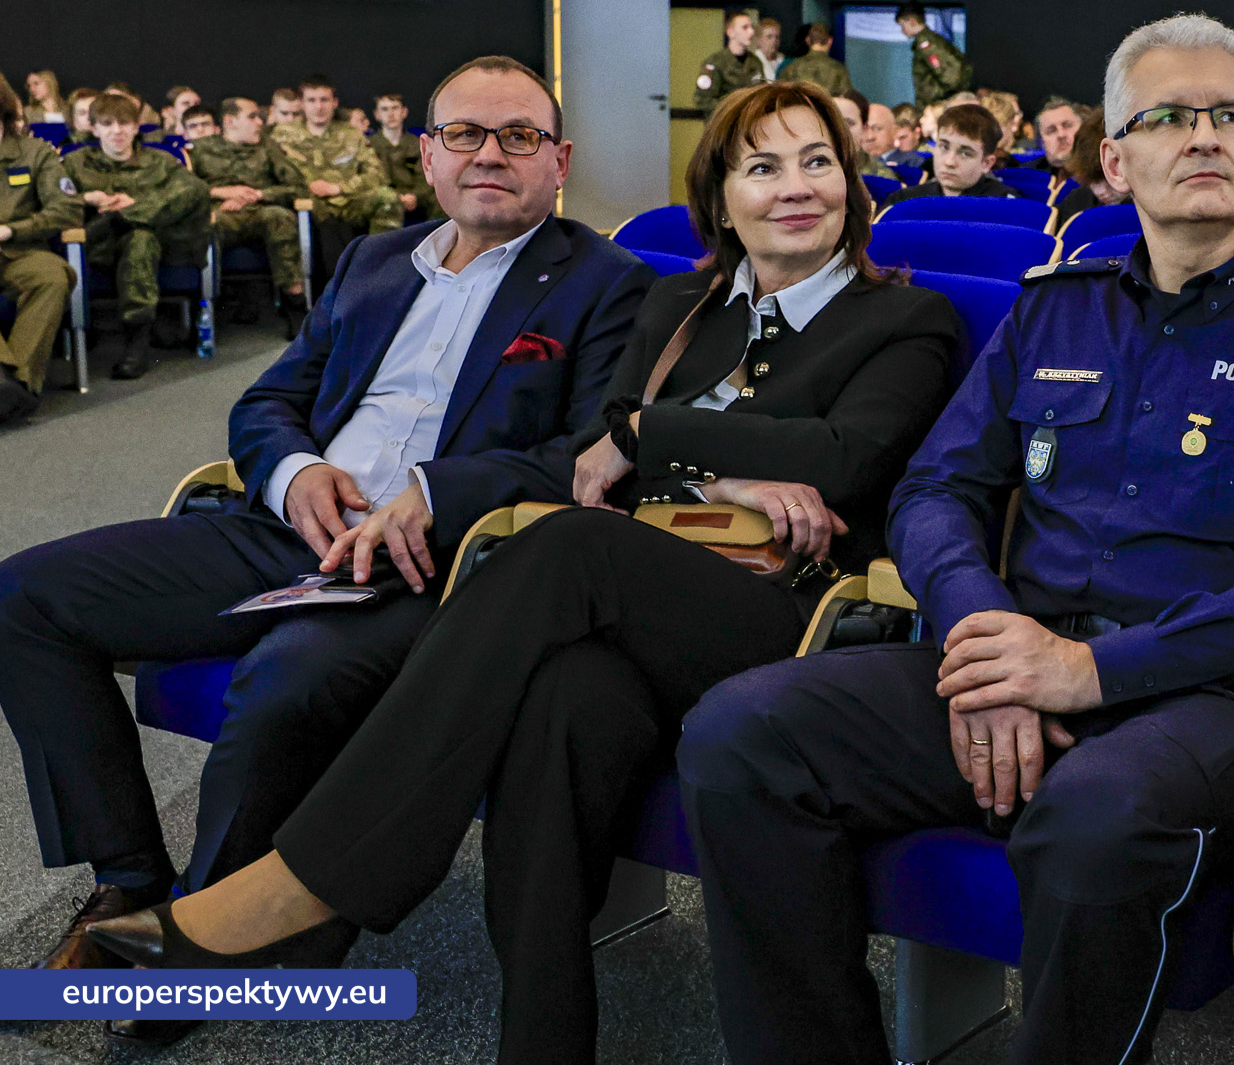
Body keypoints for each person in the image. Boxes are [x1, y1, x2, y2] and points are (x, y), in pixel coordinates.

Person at [85, 80, 962, 1065]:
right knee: (561, 700)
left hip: (786, 620)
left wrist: (651, 436)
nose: (794, 187)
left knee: (562, 547)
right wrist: (732, 477)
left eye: (817, 163)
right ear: (720, 201)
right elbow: (594, 474)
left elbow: (844, 461)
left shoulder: (907, 321)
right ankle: (541, 1040)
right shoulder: (679, 304)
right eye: (762, 167)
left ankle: (310, 879)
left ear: (852, 185)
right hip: (632, 594)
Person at [669, 12, 1234, 1065]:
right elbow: (934, 490)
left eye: (1228, 115)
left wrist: (1088, 671)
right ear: (1114, 158)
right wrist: (987, 637)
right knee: (741, 733)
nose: (1201, 136)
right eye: (1165, 116)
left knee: (1092, 820)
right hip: (1013, 646)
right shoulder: (1051, 311)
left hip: (1199, 693)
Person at [1, 56, 653, 1032]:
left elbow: (591, 455)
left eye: (518, 136)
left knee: (287, 682)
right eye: (465, 134)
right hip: (284, 527)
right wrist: (296, 473)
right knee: (22, 600)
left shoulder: (612, 285)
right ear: (426, 155)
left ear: (556, 159)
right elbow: (270, 401)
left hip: (432, 563)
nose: (490, 154)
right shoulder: (374, 261)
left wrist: (432, 495)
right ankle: (130, 882)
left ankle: (200, 942)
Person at [64, 92, 211, 379]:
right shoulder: (74, 162)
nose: (117, 131)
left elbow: (195, 191)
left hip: (154, 248)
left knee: (140, 238)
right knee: (138, 237)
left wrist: (133, 208)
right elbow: (52, 200)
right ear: (94, 129)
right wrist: (87, 199)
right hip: (95, 248)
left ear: (136, 127)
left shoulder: (160, 161)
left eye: (124, 123)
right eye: (107, 124)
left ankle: (137, 343)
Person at [187, 96, 311, 335]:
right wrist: (220, 192)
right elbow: (185, 189)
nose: (259, 123)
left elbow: (298, 187)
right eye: (252, 117)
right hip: (221, 213)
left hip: (259, 211)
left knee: (280, 217)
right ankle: (206, 308)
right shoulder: (201, 149)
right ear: (231, 121)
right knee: (205, 225)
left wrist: (258, 194)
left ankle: (294, 303)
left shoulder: (268, 147)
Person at [0, 74, 81, 423]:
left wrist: (12, 229)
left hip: (18, 250)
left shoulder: (34, 152)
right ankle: (5, 386)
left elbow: (67, 209)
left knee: (53, 275)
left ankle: (16, 386)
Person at [272, 75, 402, 286]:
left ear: (335, 103)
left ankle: (380, 275)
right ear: (302, 104)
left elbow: (377, 175)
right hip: (307, 206)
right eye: (312, 100)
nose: (318, 107)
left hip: (349, 201)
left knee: (387, 197)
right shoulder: (282, 135)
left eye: (324, 100)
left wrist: (339, 188)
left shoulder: (351, 134)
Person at [881, 104, 1023, 206]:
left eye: (965, 153)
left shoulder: (1006, 205)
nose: (949, 162)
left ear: (986, 163)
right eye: (944, 147)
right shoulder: (904, 202)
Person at [369, 93, 439, 220]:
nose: (390, 114)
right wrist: (396, 197)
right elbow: (371, 179)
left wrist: (415, 196)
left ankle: (441, 239)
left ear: (404, 112)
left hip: (417, 197)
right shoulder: (368, 145)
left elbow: (425, 175)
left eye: (395, 108)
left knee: (440, 199)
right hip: (384, 196)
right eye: (385, 109)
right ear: (377, 115)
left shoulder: (417, 143)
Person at [898, 3, 973, 109]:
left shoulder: (926, 44)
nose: (902, 31)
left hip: (935, 106)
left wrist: (938, 99)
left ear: (912, 22)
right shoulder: (933, 40)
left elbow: (951, 78)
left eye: (902, 25)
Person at [697, 11, 767, 111]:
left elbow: (762, 93)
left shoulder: (755, 62)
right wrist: (732, 107)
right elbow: (703, 100)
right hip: (724, 121)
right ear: (731, 32)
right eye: (745, 28)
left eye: (751, 27)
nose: (751, 32)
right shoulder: (715, 63)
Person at [778, 23, 852, 97]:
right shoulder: (839, 70)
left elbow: (781, 95)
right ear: (830, 41)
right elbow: (845, 97)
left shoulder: (791, 68)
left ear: (807, 40)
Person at [1034, 96, 1082, 172]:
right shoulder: (1028, 177)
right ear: (1040, 141)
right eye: (1051, 131)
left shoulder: (1101, 177)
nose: (1061, 134)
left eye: (1067, 125)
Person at [863, 100, 900, 166]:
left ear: (895, 131)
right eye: (864, 129)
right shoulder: (851, 166)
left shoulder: (913, 163)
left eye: (877, 128)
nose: (869, 137)